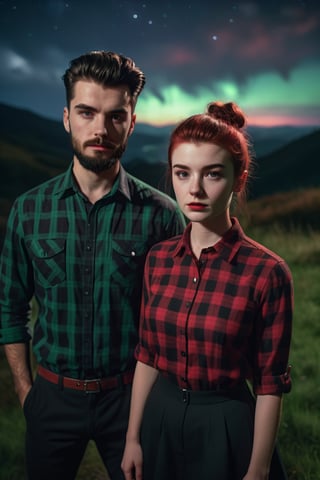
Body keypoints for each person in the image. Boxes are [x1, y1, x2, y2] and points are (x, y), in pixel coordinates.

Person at [0, 50, 185, 480]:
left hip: (131, 400)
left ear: (132, 122)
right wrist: (26, 391)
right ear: (67, 118)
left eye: (116, 116)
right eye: (86, 112)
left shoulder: (161, 214)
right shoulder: (29, 211)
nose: (100, 129)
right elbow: (9, 309)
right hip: (50, 397)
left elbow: (172, 320)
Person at [121, 101, 293, 480]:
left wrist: (258, 470)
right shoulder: (158, 259)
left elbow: (269, 383)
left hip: (227, 423)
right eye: (182, 174)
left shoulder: (267, 272)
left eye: (212, 174)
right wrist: (133, 437)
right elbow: (148, 355)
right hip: (160, 417)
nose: (194, 189)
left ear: (239, 178)